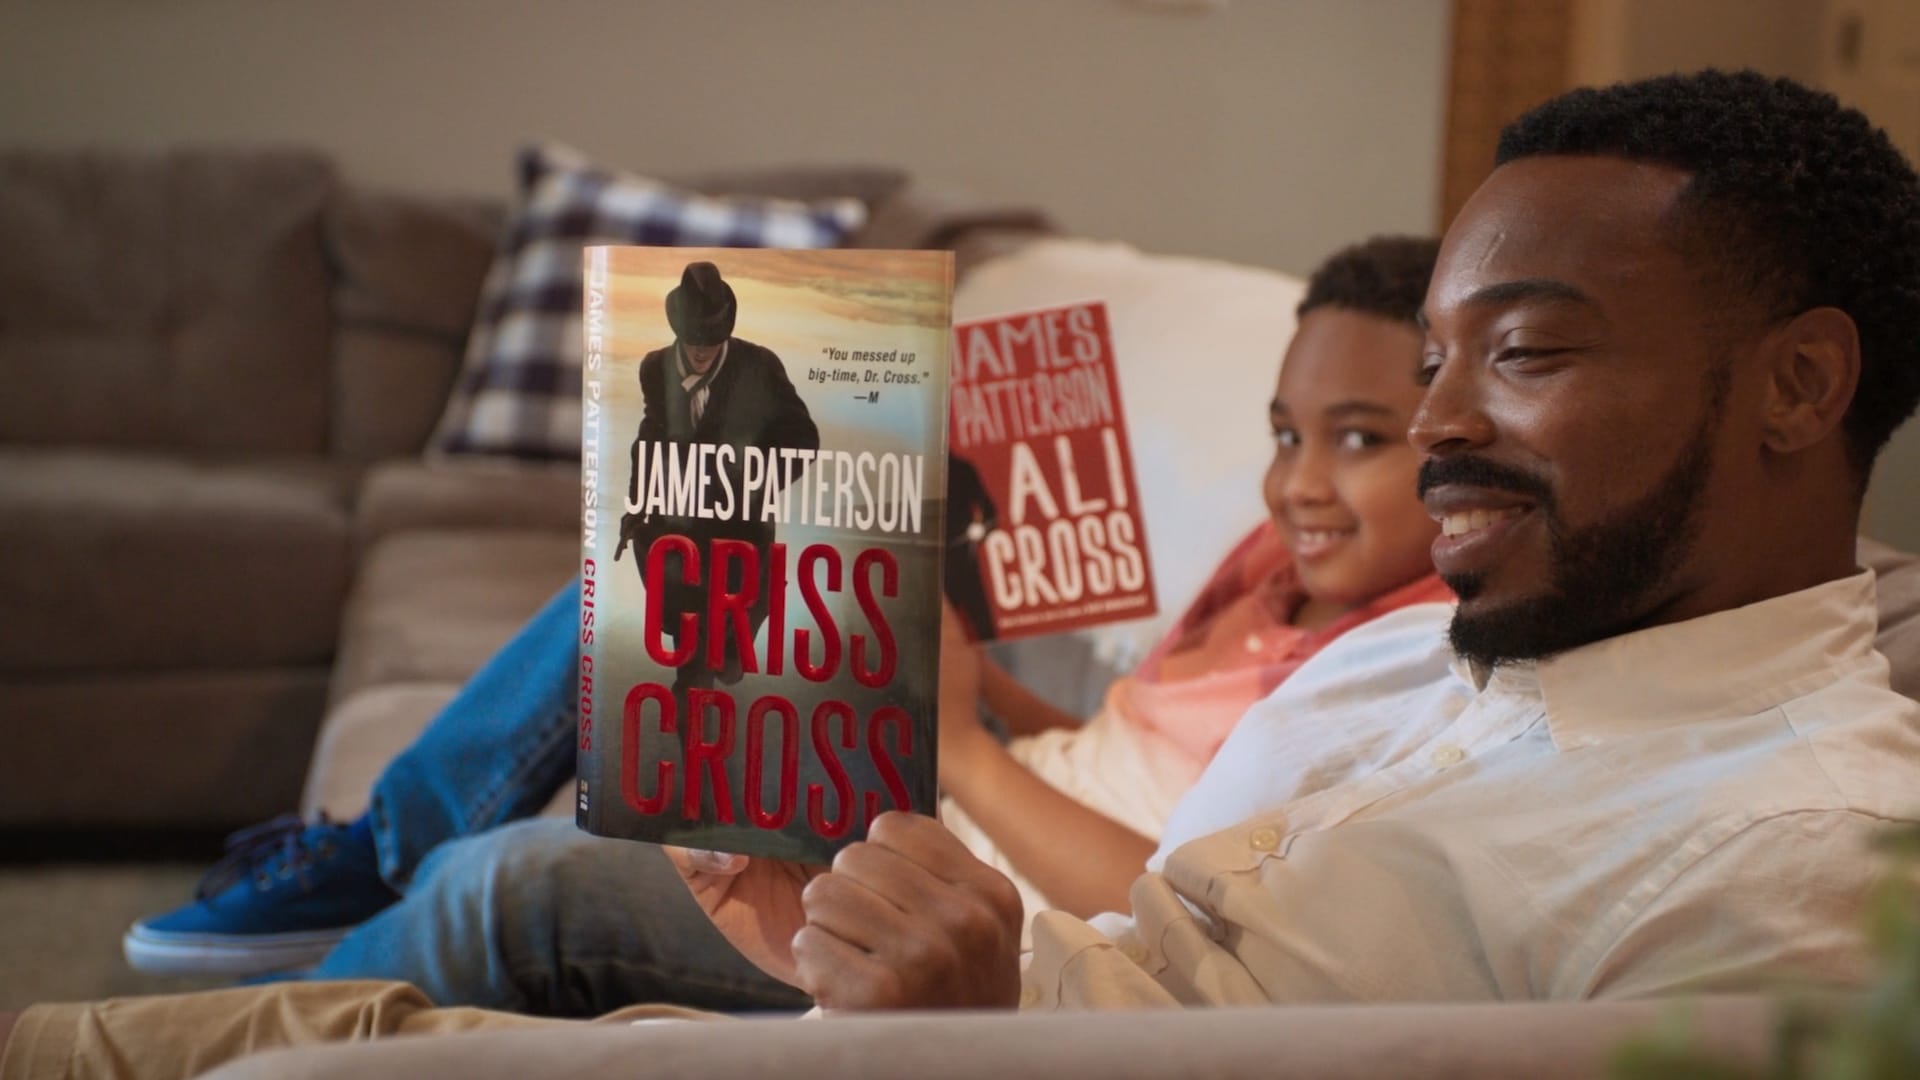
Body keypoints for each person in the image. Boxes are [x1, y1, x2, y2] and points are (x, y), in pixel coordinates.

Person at [114, 235, 1450, 1020]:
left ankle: (251, 1041)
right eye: (1285, 434)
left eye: (1359, 441)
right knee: (667, 574)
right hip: (951, 783)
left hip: (960, 898)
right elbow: (1113, 741)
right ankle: (371, 854)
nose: (1300, 482)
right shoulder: (1274, 561)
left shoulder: (1404, 660)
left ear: (1450, 438)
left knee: (502, 889)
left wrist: (965, 748)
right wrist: (963, 685)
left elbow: (1192, 902)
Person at [616, 259, 820, 697]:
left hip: (740, 523)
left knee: (735, 636)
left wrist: (753, 483)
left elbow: (802, 436)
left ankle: (719, 659)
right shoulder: (655, 367)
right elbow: (651, 433)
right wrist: (637, 504)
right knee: (687, 623)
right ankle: (692, 695)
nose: (700, 349)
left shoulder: (761, 365)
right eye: (692, 339)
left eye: (711, 339)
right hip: (677, 523)